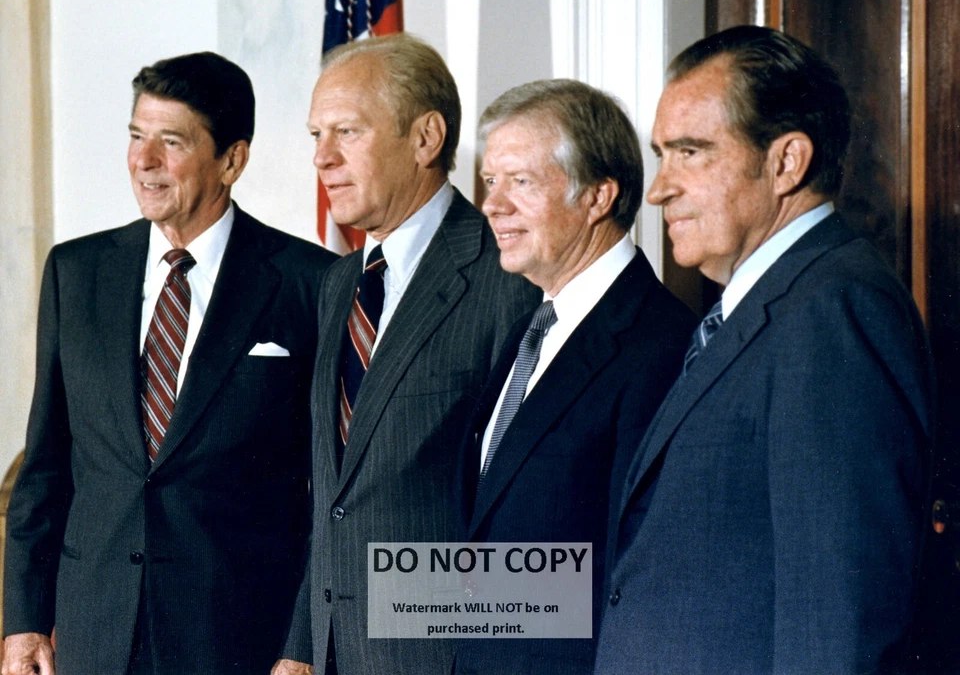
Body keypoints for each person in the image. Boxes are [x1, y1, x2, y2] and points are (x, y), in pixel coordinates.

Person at [595, 25, 935, 674]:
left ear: (787, 163)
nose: (659, 188)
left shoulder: (834, 310)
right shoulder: (766, 305)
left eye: (690, 152)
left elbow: (839, 623)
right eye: (662, 154)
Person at [2, 52, 336, 675]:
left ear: (232, 160)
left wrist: (302, 645)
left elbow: (329, 496)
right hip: (95, 635)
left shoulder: (311, 282)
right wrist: (23, 622)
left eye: (171, 142)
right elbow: (45, 467)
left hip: (238, 639)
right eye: (136, 136)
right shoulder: (76, 272)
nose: (143, 160)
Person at [275, 34, 540, 675]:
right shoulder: (340, 282)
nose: (322, 157)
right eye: (316, 135)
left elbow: (529, 522)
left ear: (425, 138)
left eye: (347, 132)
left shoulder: (509, 274)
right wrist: (303, 647)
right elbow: (335, 497)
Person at [452, 80, 695, 675]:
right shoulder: (531, 326)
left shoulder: (661, 345)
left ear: (598, 197)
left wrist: (398, 599)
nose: (492, 205)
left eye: (520, 182)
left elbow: (636, 577)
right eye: (490, 181)